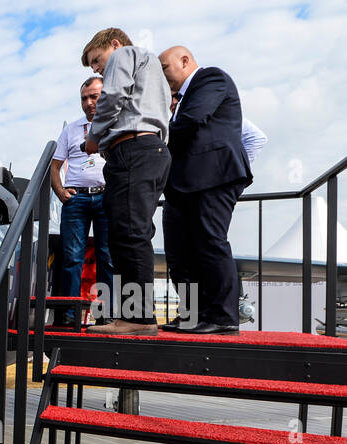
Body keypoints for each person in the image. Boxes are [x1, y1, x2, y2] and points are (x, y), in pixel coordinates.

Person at [80, 27, 173, 335]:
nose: (96, 68)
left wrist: (94, 137)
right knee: (131, 233)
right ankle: (133, 315)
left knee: (128, 234)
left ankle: (137, 318)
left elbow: (113, 96)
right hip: (149, 150)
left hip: (133, 150)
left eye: (97, 59)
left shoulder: (125, 54)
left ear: (115, 44)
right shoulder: (152, 70)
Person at [158, 45, 252, 334]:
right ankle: (191, 314)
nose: (161, 76)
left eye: (164, 68)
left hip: (213, 177)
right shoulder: (179, 100)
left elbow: (191, 120)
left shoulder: (211, 78)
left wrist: (151, 142)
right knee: (179, 253)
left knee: (209, 242)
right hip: (180, 184)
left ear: (184, 61)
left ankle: (222, 316)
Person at [50, 76, 115, 327]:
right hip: (76, 198)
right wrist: (60, 191)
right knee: (72, 257)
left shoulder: (116, 123)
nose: (89, 103)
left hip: (106, 196)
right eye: (84, 98)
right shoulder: (71, 129)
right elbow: (55, 166)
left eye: (94, 97)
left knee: (107, 257)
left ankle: (107, 314)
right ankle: (69, 314)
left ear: (105, 96)